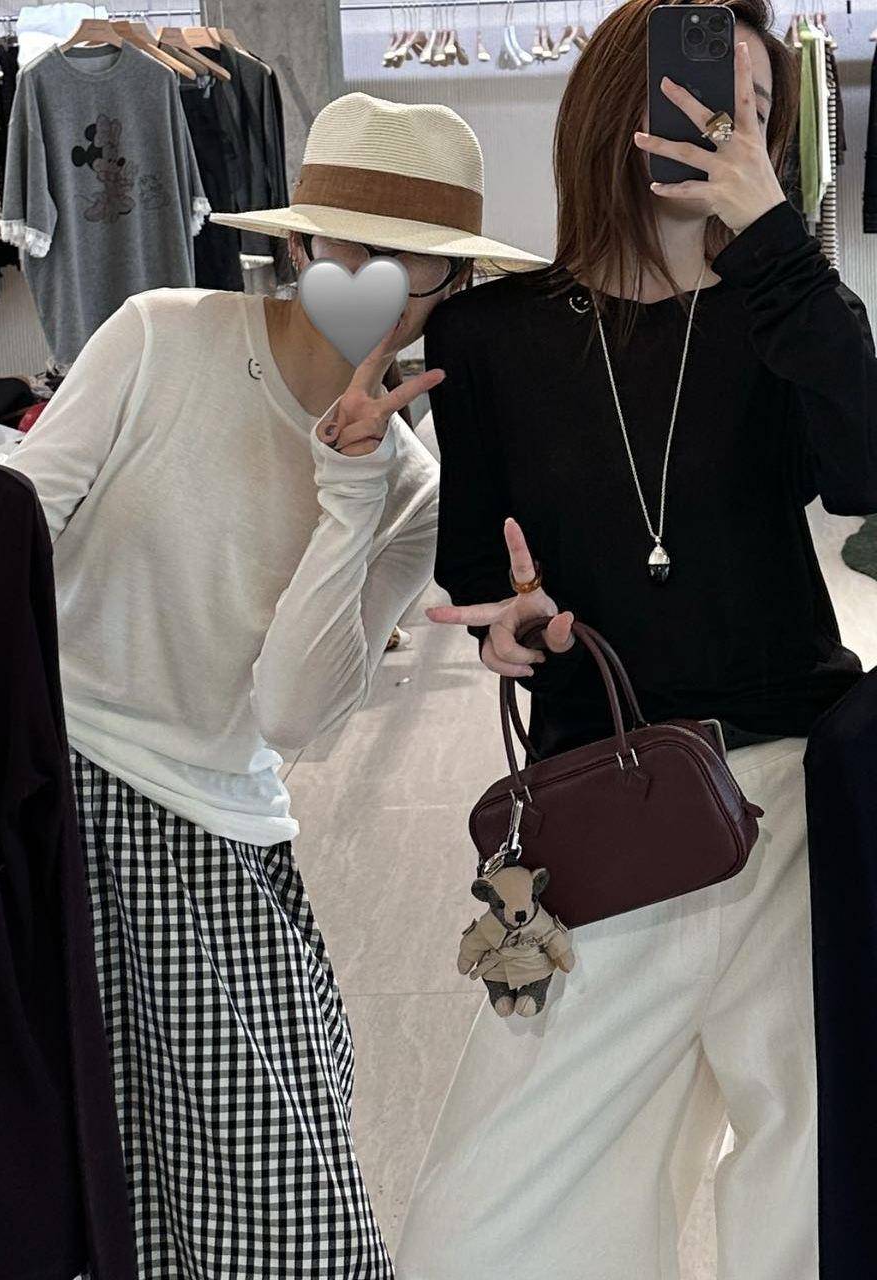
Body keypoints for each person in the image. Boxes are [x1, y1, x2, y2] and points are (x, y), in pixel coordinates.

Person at [0, 94, 543, 1278]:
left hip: (212, 837)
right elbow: (16, 519)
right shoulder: (161, 333)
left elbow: (290, 711)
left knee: (281, 1208)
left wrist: (350, 485)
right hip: (39, 788)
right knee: (48, 1169)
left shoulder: (412, 490)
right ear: (298, 243)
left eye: (412, 262)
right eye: (348, 243)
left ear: (451, 285)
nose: (375, 281)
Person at [398, 2, 877, 1278]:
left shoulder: (781, 318)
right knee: (488, 1221)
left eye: (758, 116)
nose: (732, 131)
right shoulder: (487, 335)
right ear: (623, 105)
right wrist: (509, 627)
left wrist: (776, 244)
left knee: (812, 1190)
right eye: (705, 100)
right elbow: (475, 569)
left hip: (793, 799)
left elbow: (866, 473)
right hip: (609, 809)